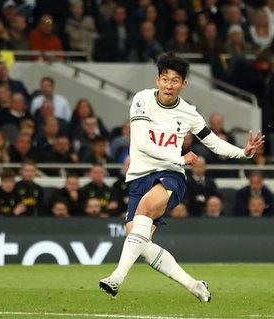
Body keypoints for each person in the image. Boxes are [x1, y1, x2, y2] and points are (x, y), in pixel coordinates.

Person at [99, 53, 264, 302]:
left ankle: (116, 278)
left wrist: (243, 152)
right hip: (139, 177)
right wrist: (180, 158)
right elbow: (142, 144)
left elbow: (214, 143)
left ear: (184, 84)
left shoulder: (188, 112)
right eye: (165, 79)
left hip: (170, 177)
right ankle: (194, 285)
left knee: (144, 210)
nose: (169, 85)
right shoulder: (142, 100)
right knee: (139, 241)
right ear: (157, 80)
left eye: (175, 80)